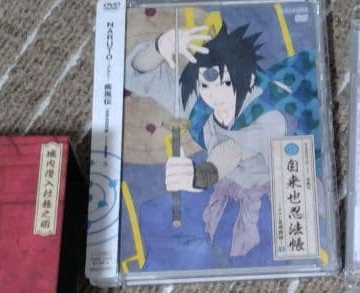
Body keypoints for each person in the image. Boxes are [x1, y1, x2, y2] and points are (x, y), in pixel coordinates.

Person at [126, 22, 311, 261]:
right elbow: (137, 76)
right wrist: (158, 48)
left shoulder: (269, 113)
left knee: (245, 257)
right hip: (223, 190)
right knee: (154, 215)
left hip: (270, 204)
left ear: (248, 79)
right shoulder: (202, 104)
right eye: (206, 85)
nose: (215, 94)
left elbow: (232, 152)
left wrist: (199, 176)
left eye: (225, 83)